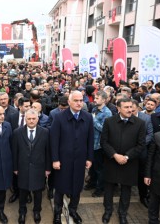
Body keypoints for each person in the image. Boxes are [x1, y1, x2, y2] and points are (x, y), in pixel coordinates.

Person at [50, 91, 94, 224]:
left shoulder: (88, 117)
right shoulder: (59, 117)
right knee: (60, 187)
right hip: (63, 160)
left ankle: (73, 209)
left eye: (81, 100)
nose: (79, 103)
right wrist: (55, 159)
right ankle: (57, 212)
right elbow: (54, 140)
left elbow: (90, 139)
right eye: (76, 100)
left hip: (80, 159)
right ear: (69, 102)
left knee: (77, 186)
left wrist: (89, 158)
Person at [100, 98, 146, 224]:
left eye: (131, 107)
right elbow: (104, 142)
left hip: (129, 163)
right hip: (111, 161)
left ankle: (123, 213)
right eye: (126, 107)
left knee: (126, 190)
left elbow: (141, 145)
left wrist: (126, 157)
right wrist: (115, 155)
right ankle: (108, 211)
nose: (130, 109)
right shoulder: (109, 121)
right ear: (118, 108)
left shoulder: (140, 123)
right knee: (108, 189)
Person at [12, 109, 51, 224]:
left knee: (38, 192)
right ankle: (22, 212)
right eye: (29, 119)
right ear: (25, 119)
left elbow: (48, 152)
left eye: (33, 119)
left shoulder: (45, 132)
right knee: (23, 191)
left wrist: (48, 168)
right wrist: (15, 167)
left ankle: (37, 211)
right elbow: (15, 152)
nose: (31, 121)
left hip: (39, 168)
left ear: (37, 119)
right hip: (23, 167)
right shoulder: (17, 132)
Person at [84, 91, 112, 197]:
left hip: (99, 145)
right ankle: (92, 183)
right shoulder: (95, 109)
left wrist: (94, 119)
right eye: (95, 97)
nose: (94, 99)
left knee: (99, 169)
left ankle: (99, 189)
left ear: (104, 100)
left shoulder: (107, 113)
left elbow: (104, 129)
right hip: (92, 143)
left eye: (97, 98)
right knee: (92, 166)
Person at [6, 97, 32, 203]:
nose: (28, 108)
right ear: (20, 106)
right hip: (15, 151)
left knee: (28, 173)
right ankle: (16, 192)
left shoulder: (33, 117)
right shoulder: (12, 117)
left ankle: (28, 193)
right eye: (26, 106)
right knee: (15, 173)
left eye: (29, 105)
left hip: (29, 151)